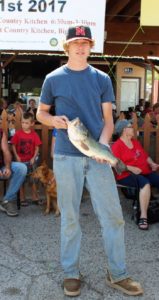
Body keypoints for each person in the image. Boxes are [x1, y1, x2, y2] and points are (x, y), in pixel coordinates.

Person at [36, 25, 143, 297]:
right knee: (70, 218)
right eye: (76, 43)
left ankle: (117, 274)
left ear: (90, 46)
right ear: (67, 47)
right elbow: (41, 113)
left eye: (85, 42)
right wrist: (52, 120)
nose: (81, 47)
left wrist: (104, 146)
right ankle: (71, 273)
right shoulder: (53, 78)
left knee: (112, 217)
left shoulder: (101, 79)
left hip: (97, 156)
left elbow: (108, 121)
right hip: (65, 156)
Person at [111, 119, 159, 230]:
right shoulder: (117, 146)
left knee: (155, 179)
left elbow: (145, 156)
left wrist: (152, 164)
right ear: (124, 130)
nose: (133, 128)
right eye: (130, 126)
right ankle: (143, 216)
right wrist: (130, 168)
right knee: (145, 183)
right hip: (126, 175)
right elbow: (115, 164)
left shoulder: (135, 142)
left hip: (145, 172)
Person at [11, 112, 42, 206]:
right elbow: (13, 145)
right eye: (23, 122)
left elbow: (37, 147)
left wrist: (33, 158)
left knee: (33, 180)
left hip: (31, 162)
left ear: (32, 123)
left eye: (26, 123)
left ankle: (34, 197)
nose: (24, 125)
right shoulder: (18, 134)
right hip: (21, 162)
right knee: (21, 180)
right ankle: (22, 198)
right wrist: (16, 156)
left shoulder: (34, 135)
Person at [0, 128, 27, 216]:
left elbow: (6, 151)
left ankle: (7, 200)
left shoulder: (1, 132)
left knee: (21, 168)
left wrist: (7, 167)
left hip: (2, 167)